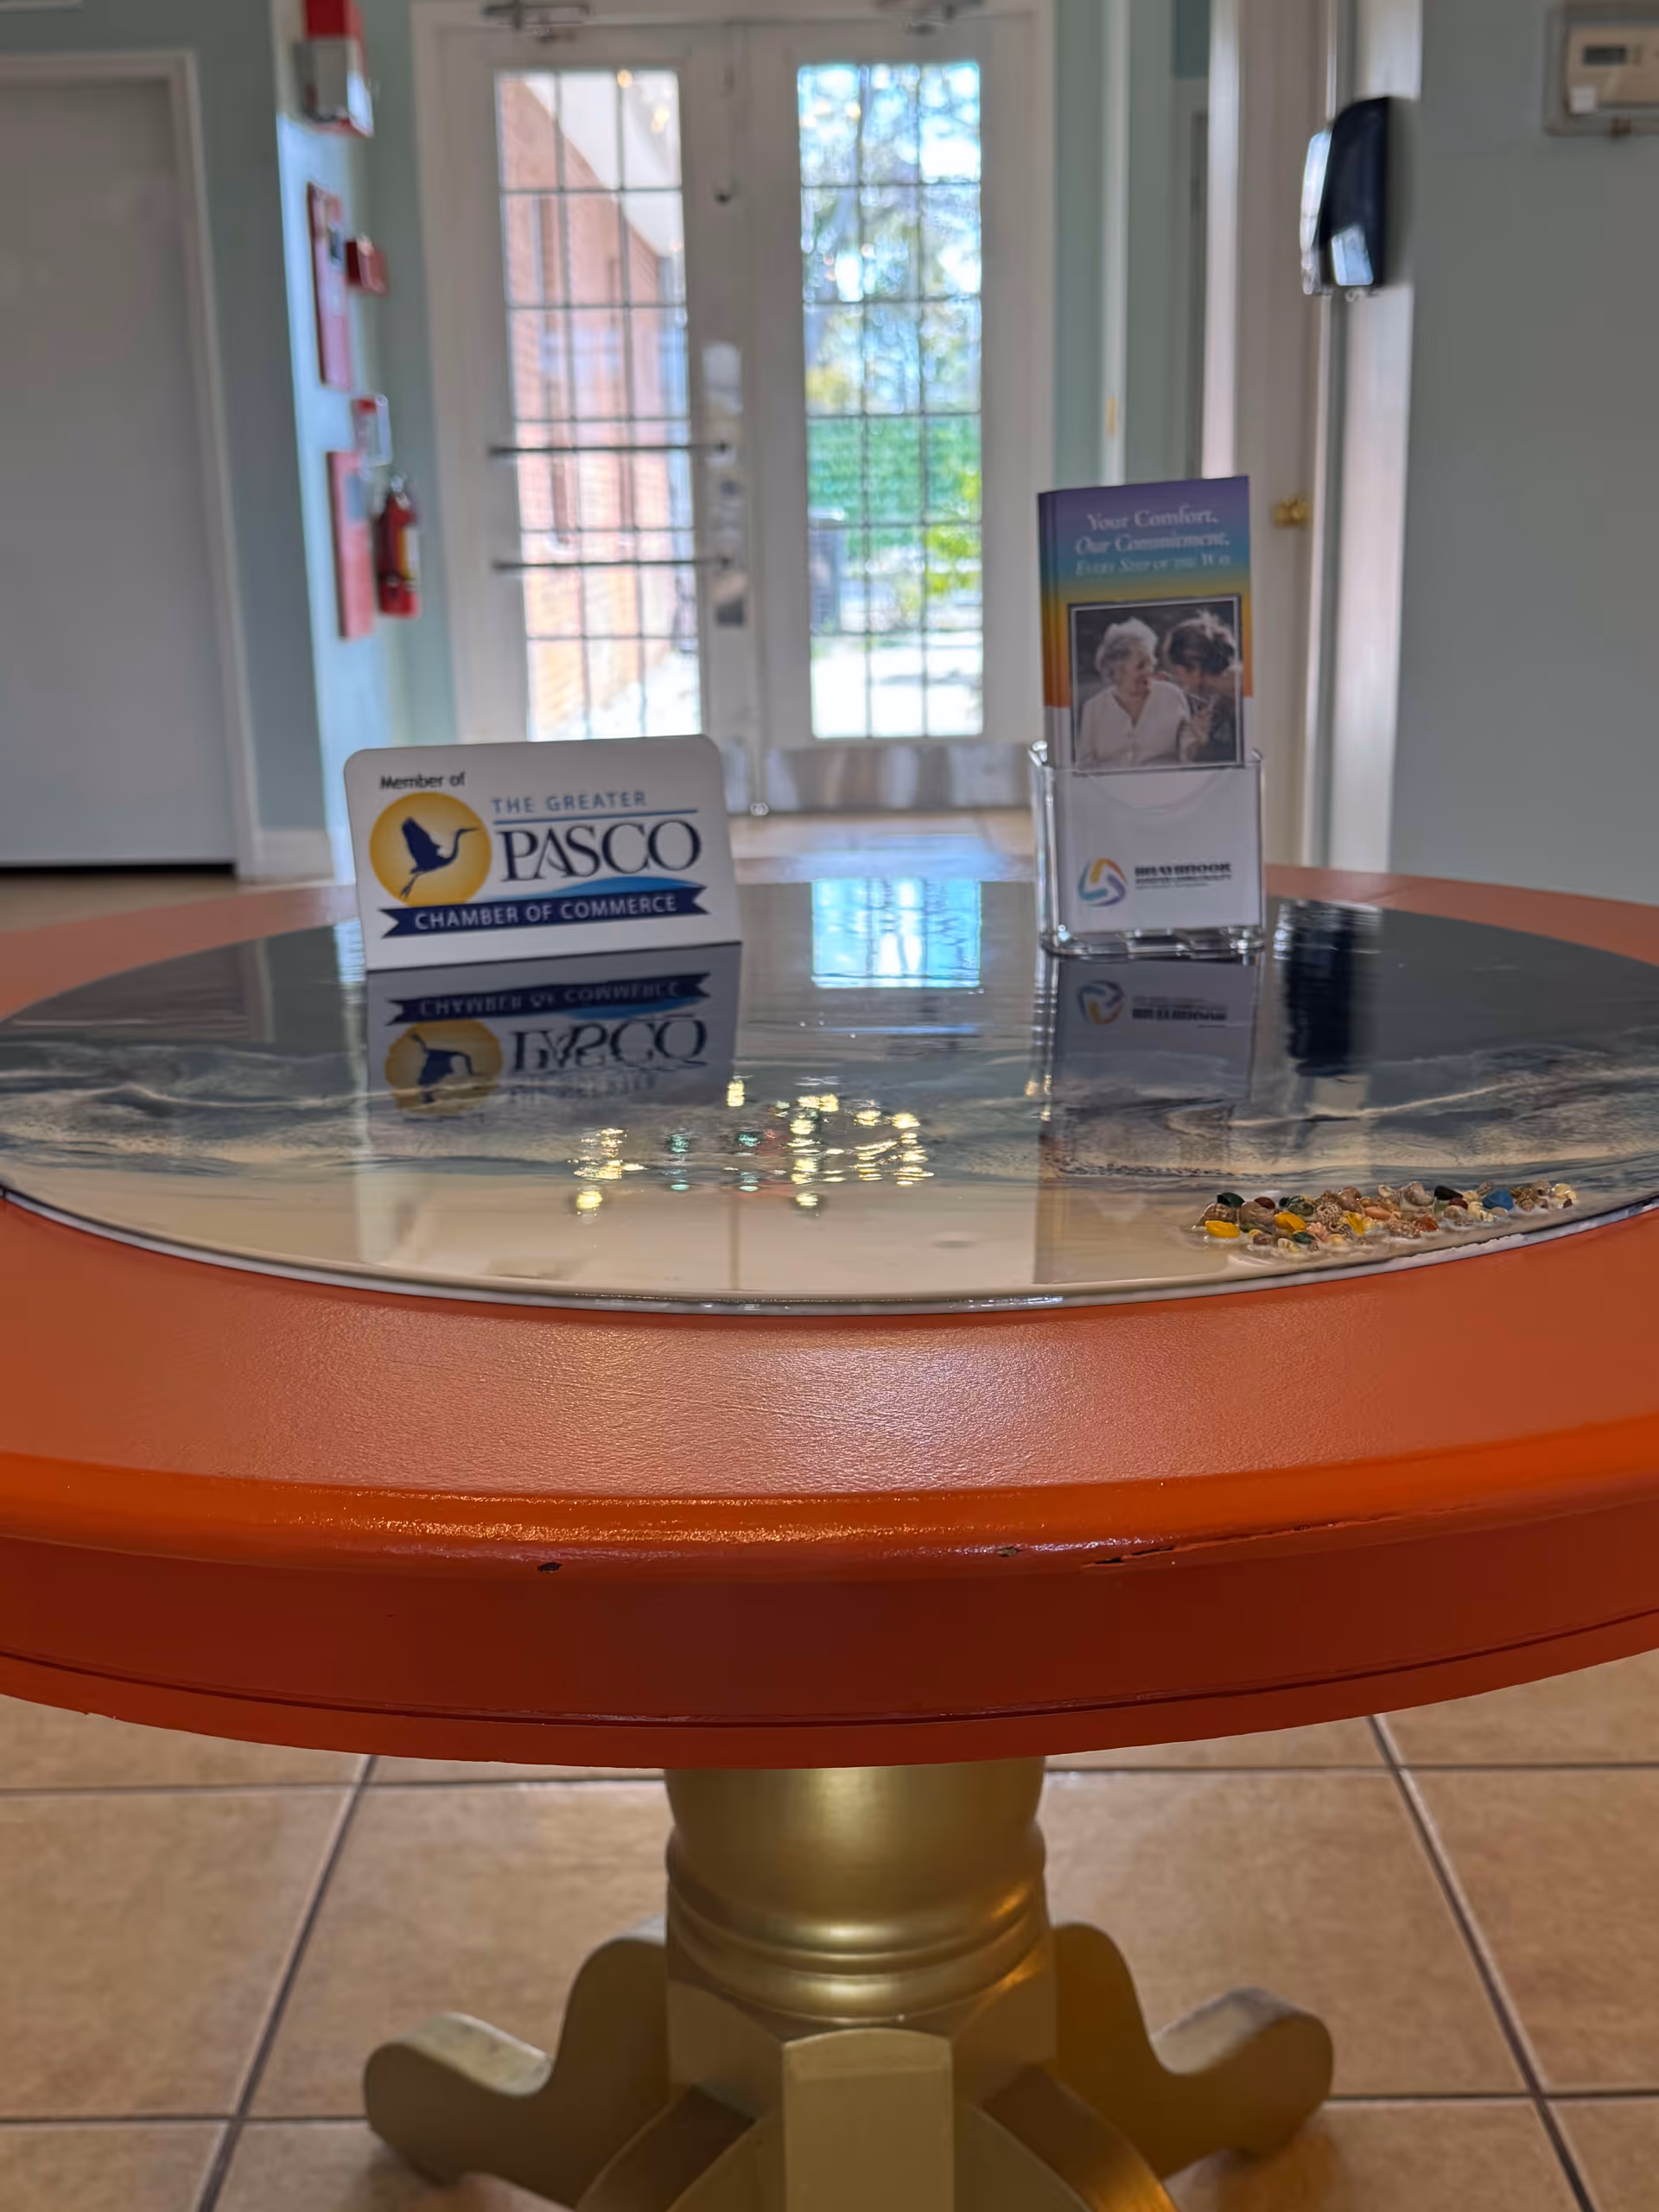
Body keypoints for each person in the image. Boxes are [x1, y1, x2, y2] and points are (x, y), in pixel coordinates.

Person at [1074, 618, 1195, 770]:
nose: (1149, 671)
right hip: (1111, 790)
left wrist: (1197, 741)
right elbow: (1086, 767)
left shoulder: (1172, 696)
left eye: (1150, 663)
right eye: (1140, 666)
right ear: (1118, 671)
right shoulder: (1093, 708)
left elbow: (1188, 757)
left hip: (1165, 787)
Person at [1160, 610, 1241, 765]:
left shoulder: (1245, 698)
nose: (1179, 681)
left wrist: (1203, 741)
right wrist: (1201, 741)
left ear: (1194, 669)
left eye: (1178, 672)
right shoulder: (1222, 702)